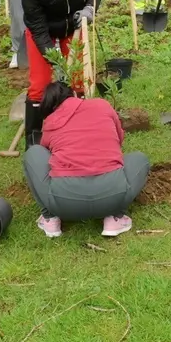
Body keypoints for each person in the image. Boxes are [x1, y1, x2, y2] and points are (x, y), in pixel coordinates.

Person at [23, 82, 150, 239]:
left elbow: (46, 153)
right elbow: (119, 138)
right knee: (139, 159)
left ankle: (50, 218)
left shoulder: (50, 122)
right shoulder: (102, 105)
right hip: (112, 197)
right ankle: (115, 218)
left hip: (64, 204)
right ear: (74, 94)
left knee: (33, 153)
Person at [21, 0, 103, 133]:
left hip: (73, 27)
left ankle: (79, 126)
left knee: (79, 79)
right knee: (40, 84)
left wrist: (90, 9)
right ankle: (35, 135)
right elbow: (38, 27)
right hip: (42, 32)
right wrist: (56, 61)